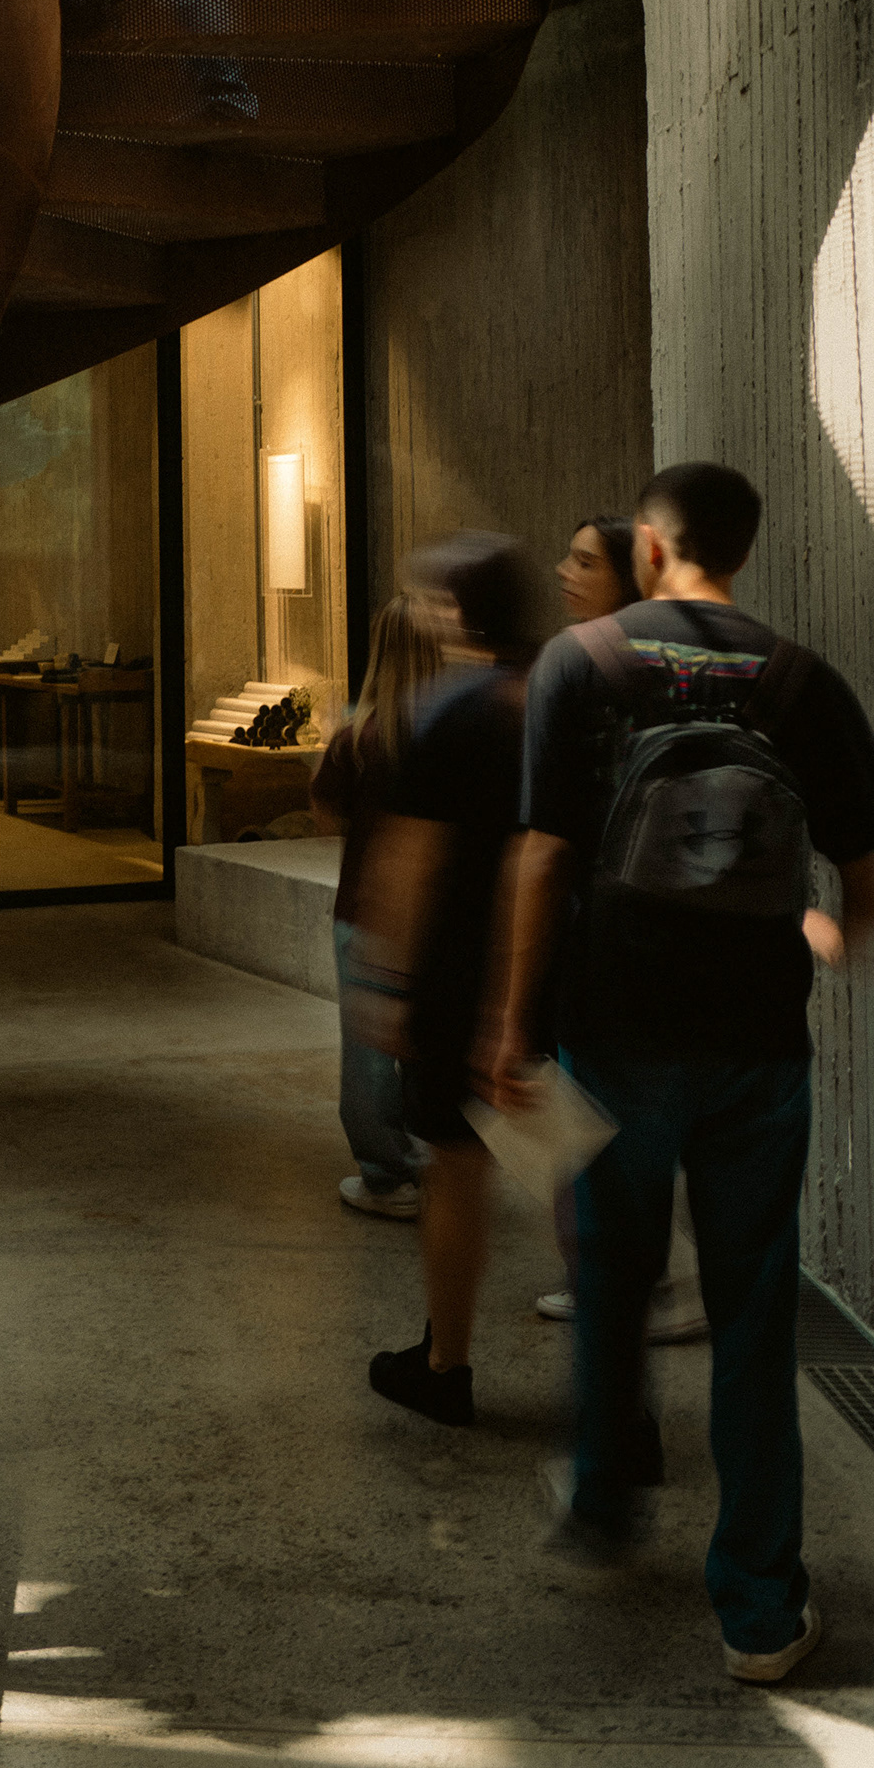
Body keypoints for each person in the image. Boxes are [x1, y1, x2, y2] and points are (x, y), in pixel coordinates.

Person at [487, 461, 874, 1683]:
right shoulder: (803, 681)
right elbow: (864, 873)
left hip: (615, 1032)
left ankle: (606, 1499)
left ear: (650, 548)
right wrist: (823, 936)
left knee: (613, 1270)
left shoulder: (583, 664)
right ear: (740, 552)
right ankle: (759, 1608)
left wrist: (515, 1026)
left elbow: (545, 857)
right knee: (755, 1312)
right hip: (759, 1046)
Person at [352, 532, 543, 1428]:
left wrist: (386, 983)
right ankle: (619, 1398)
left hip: (459, 973)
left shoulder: (450, 708)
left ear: (461, 611)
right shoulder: (551, 698)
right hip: (549, 966)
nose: (424, 614)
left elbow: (412, 861)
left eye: (432, 599)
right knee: (574, 1176)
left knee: (456, 1170)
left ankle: (446, 1363)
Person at [538, 508, 707, 1344]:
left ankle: (635, 1287)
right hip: (637, 929)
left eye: (584, 562)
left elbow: (549, 838)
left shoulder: (585, 671)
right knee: (596, 1121)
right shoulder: (649, 668)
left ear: (627, 575)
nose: (564, 574)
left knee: (598, 1120)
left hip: (612, 933)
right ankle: (626, 1280)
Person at [311, 592, 444, 1220]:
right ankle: (435, 1160)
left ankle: (387, 1176)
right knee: (428, 1042)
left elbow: (324, 810)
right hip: (438, 916)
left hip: (366, 913)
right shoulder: (452, 735)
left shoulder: (358, 737)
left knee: (368, 1052)